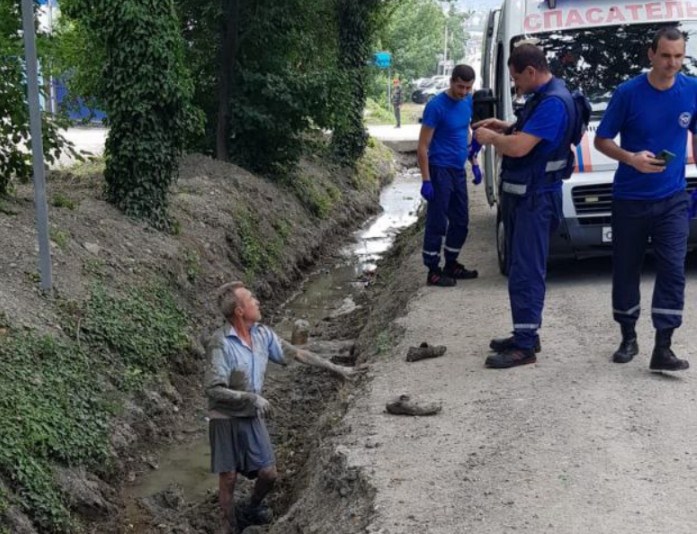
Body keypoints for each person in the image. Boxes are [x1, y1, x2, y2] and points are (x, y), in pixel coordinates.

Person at [204, 281, 356, 533]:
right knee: (228, 477)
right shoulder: (220, 343)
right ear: (240, 311)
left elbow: (297, 353)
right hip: (225, 416)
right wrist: (251, 398)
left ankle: (250, 509)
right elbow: (213, 389)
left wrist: (337, 369)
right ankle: (227, 526)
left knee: (268, 473)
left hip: (251, 414)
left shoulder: (262, 334)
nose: (257, 301)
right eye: (251, 299)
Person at [594, 27, 697, 371]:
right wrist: (631, 158)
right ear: (651, 54)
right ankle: (628, 336)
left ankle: (663, 347)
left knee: (672, 269)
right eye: (666, 56)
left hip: (672, 198)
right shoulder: (628, 93)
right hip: (630, 199)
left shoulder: (691, 89)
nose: (672, 63)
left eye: (678, 57)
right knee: (626, 269)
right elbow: (602, 140)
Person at [473, 43, 576, 369]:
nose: (516, 86)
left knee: (527, 272)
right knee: (521, 269)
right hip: (528, 198)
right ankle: (525, 333)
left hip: (535, 199)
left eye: (517, 79)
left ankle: (525, 346)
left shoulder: (554, 104)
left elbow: (519, 148)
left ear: (531, 72)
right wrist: (504, 126)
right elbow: (526, 134)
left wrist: (492, 139)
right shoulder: (545, 98)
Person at [418, 64, 478, 287]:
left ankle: (451, 262)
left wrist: (474, 162)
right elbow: (423, 146)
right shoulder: (436, 106)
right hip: (439, 169)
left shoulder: (467, 102)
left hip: (457, 169)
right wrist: (426, 180)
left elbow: (467, 132)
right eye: (460, 86)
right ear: (451, 81)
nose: (463, 92)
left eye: (468, 88)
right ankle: (433, 270)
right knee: (437, 221)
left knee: (461, 220)